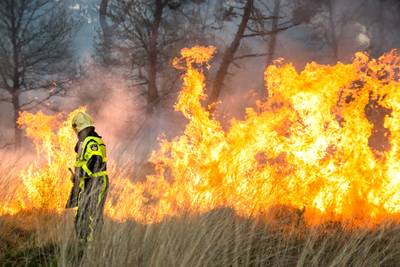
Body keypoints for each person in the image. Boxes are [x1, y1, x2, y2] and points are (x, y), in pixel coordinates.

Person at [66, 111, 109, 243]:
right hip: (89, 184)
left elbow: (95, 160)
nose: (77, 134)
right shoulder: (85, 143)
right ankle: (83, 243)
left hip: (96, 183)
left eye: (78, 131)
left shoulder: (92, 142)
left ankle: (92, 247)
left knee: (91, 215)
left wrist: (81, 174)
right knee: (81, 216)